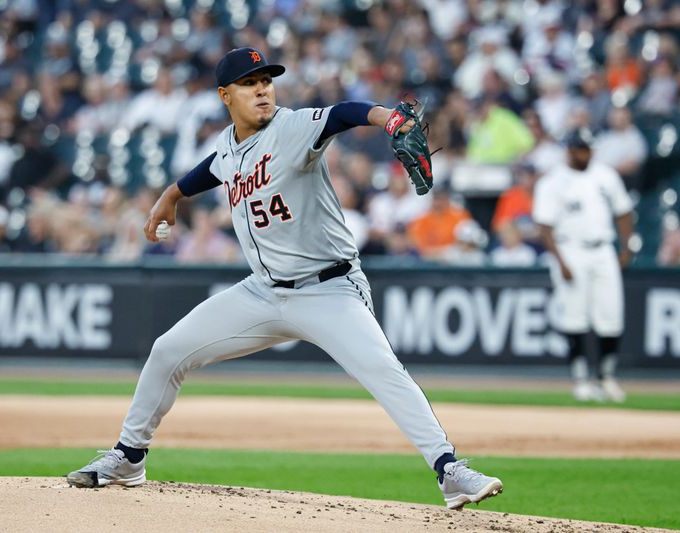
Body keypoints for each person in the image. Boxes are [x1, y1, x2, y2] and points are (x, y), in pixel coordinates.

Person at [66, 47, 503, 510]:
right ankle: (129, 457)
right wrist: (170, 195)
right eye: (249, 83)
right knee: (167, 350)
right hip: (262, 292)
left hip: (328, 289)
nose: (261, 89)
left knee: (383, 370)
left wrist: (386, 119)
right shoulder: (228, 147)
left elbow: (341, 115)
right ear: (224, 95)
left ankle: (449, 470)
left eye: (266, 81)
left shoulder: (292, 127)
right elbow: (210, 170)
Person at [533, 128, 634, 403]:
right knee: (575, 315)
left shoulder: (605, 175)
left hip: (603, 249)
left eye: (588, 149)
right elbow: (544, 227)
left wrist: (627, 247)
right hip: (570, 249)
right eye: (579, 149)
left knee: (611, 315)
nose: (584, 154)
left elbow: (624, 211)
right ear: (569, 150)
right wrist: (561, 261)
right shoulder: (554, 181)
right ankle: (580, 379)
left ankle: (606, 377)